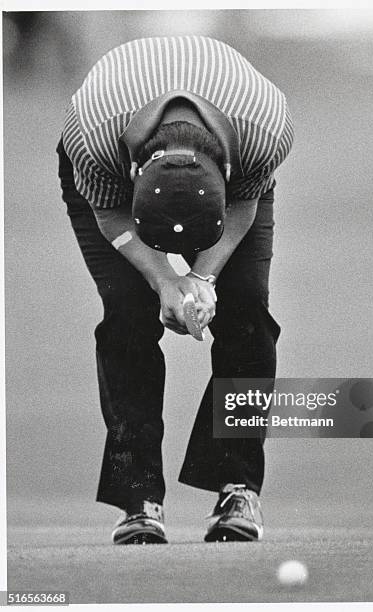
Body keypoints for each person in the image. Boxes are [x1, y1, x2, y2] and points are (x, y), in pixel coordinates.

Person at [57, 35, 294, 545]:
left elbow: (246, 204)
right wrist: (164, 279)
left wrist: (203, 279)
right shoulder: (93, 138)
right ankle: (138, 501)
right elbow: (107, 212)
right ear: (139, 171)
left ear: (226, 174)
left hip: (239, 161)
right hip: (108, 182)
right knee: (128, 317)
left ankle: (237, 487)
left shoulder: (265, 130)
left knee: (247, 312)